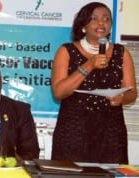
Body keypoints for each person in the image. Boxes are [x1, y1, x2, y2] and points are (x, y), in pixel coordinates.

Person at [51, 2, 137, 164]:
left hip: (111, 131)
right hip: (74, 130)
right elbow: (59, 92)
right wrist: (89, 64)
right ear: (83, 25)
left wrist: (121, 98)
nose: (101, 23)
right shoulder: (66, 51)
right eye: (94, 19)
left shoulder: (122, 53)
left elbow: (132, 93)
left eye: (106, 19)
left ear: (111, 26)